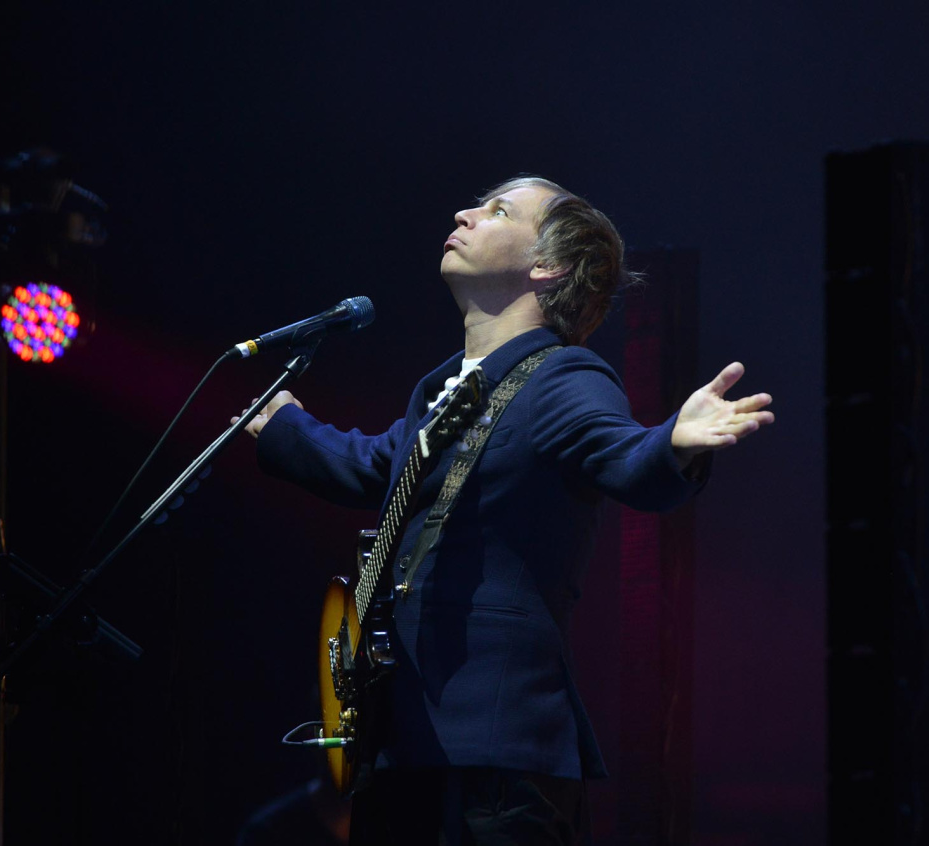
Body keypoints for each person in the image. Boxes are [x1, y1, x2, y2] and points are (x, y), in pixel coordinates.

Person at [231, 176, 774, 844]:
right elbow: (378, 465)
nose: (464, 213)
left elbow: (623, 454)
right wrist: (288, 429)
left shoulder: (562, 377)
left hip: (494, 754)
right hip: (402, 743)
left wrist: (674, 443)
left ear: (548, 266)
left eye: (497, 210)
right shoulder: (443, 390)